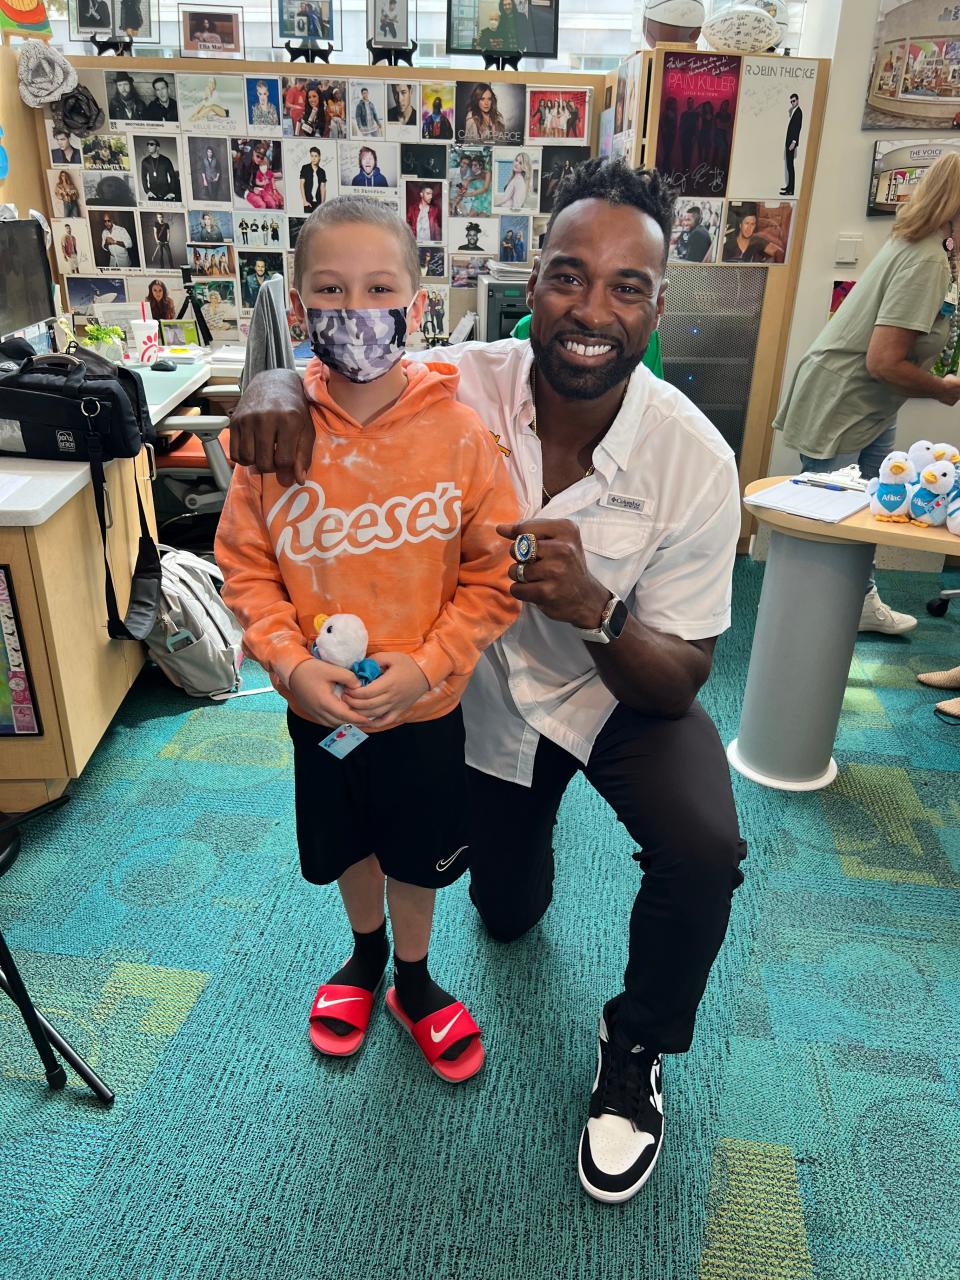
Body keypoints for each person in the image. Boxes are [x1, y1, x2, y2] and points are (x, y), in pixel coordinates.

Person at [227, 158, 747, 1205]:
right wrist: (270, 379)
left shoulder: (693, 458)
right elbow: (347, 358)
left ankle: (636, 1046)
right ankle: (433, 927)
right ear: (531, 284)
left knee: (705, 845)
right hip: (479, 701)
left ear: (656, 304)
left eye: (625, 286)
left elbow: (682, 674)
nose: (590, 308)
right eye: (567, 275)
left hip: (616, 689)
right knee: (505, 912)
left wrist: (596, 603)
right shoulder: (459, 380)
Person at [214, 196, 520, 1083]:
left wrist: (428, 665)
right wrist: (287, 662)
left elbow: (493, 574)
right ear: (301, 310)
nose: (358, 309)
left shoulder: (462, 436)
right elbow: (246, 564)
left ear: (417, 304)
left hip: (427, 707)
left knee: (419, 851)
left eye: (381, 287)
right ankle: (366, 954)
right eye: (332, 290)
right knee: (348, 844)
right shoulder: (274, 436)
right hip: (322, 706)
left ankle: (415, 980)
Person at [774, 152, 960, 635]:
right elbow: (883, 361)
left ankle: (856, 601)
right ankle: (802, 621)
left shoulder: (921, 246)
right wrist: (942, 390)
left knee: (871, 510)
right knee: (828, 521)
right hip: (846, 400)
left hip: (868, 403)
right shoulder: (926, 260)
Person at [781, 92, 803, 196]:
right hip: (789, 142)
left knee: (790, 166)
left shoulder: (798, 112)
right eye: (791, 101)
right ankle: (789, 187)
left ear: (797, 100)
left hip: (791, 143)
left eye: (794, 101)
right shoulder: (794, 111)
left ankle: (791, 190)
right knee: (789, 166)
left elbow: (797, 129)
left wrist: (794, 142)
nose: (792, 103)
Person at [299, 146, 327, 213]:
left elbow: (322, 188)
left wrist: (322, 204)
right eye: (312, 156)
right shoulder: (305, 168)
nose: (313, 158)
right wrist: (305, 201)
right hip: (308, 202)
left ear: (319, 157)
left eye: (316, 156)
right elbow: (301, 185)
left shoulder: (322, 171)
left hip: (318, 204)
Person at [678, 96, 699, 173]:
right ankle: (684, 169)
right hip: (684, 136)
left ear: (693, 103)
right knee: (684, 153)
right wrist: (680, 135)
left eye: (691, 102)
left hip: (691, 137)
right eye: (688, 102)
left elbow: (697, 126)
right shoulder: (683, 114)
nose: (690, 104)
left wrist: (695, 136)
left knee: (689, 154)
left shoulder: (696, 114)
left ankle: (687, 170)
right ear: (687, 104)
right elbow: (680, 125)